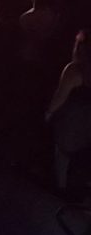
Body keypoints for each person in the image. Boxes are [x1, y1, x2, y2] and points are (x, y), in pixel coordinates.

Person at [46, 31, 91, 193]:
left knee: (63, 156)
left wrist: (48, 113)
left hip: (73, 120)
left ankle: (61, 190)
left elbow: (59, 97)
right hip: (87, 121)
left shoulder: (75, 70)